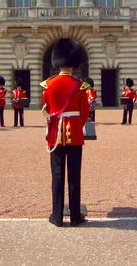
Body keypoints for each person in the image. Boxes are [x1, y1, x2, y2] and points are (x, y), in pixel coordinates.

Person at [41, 38, 90, 227]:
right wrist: (76, 124)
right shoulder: (80, 86)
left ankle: (58, 216)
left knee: (58, 175)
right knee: (74, 176)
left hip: (55, 134)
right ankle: (76, 216)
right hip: (75, 134)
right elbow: (85, 112)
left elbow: (45, 109)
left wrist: (53, 121)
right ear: (74, 63)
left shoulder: (48, 85)